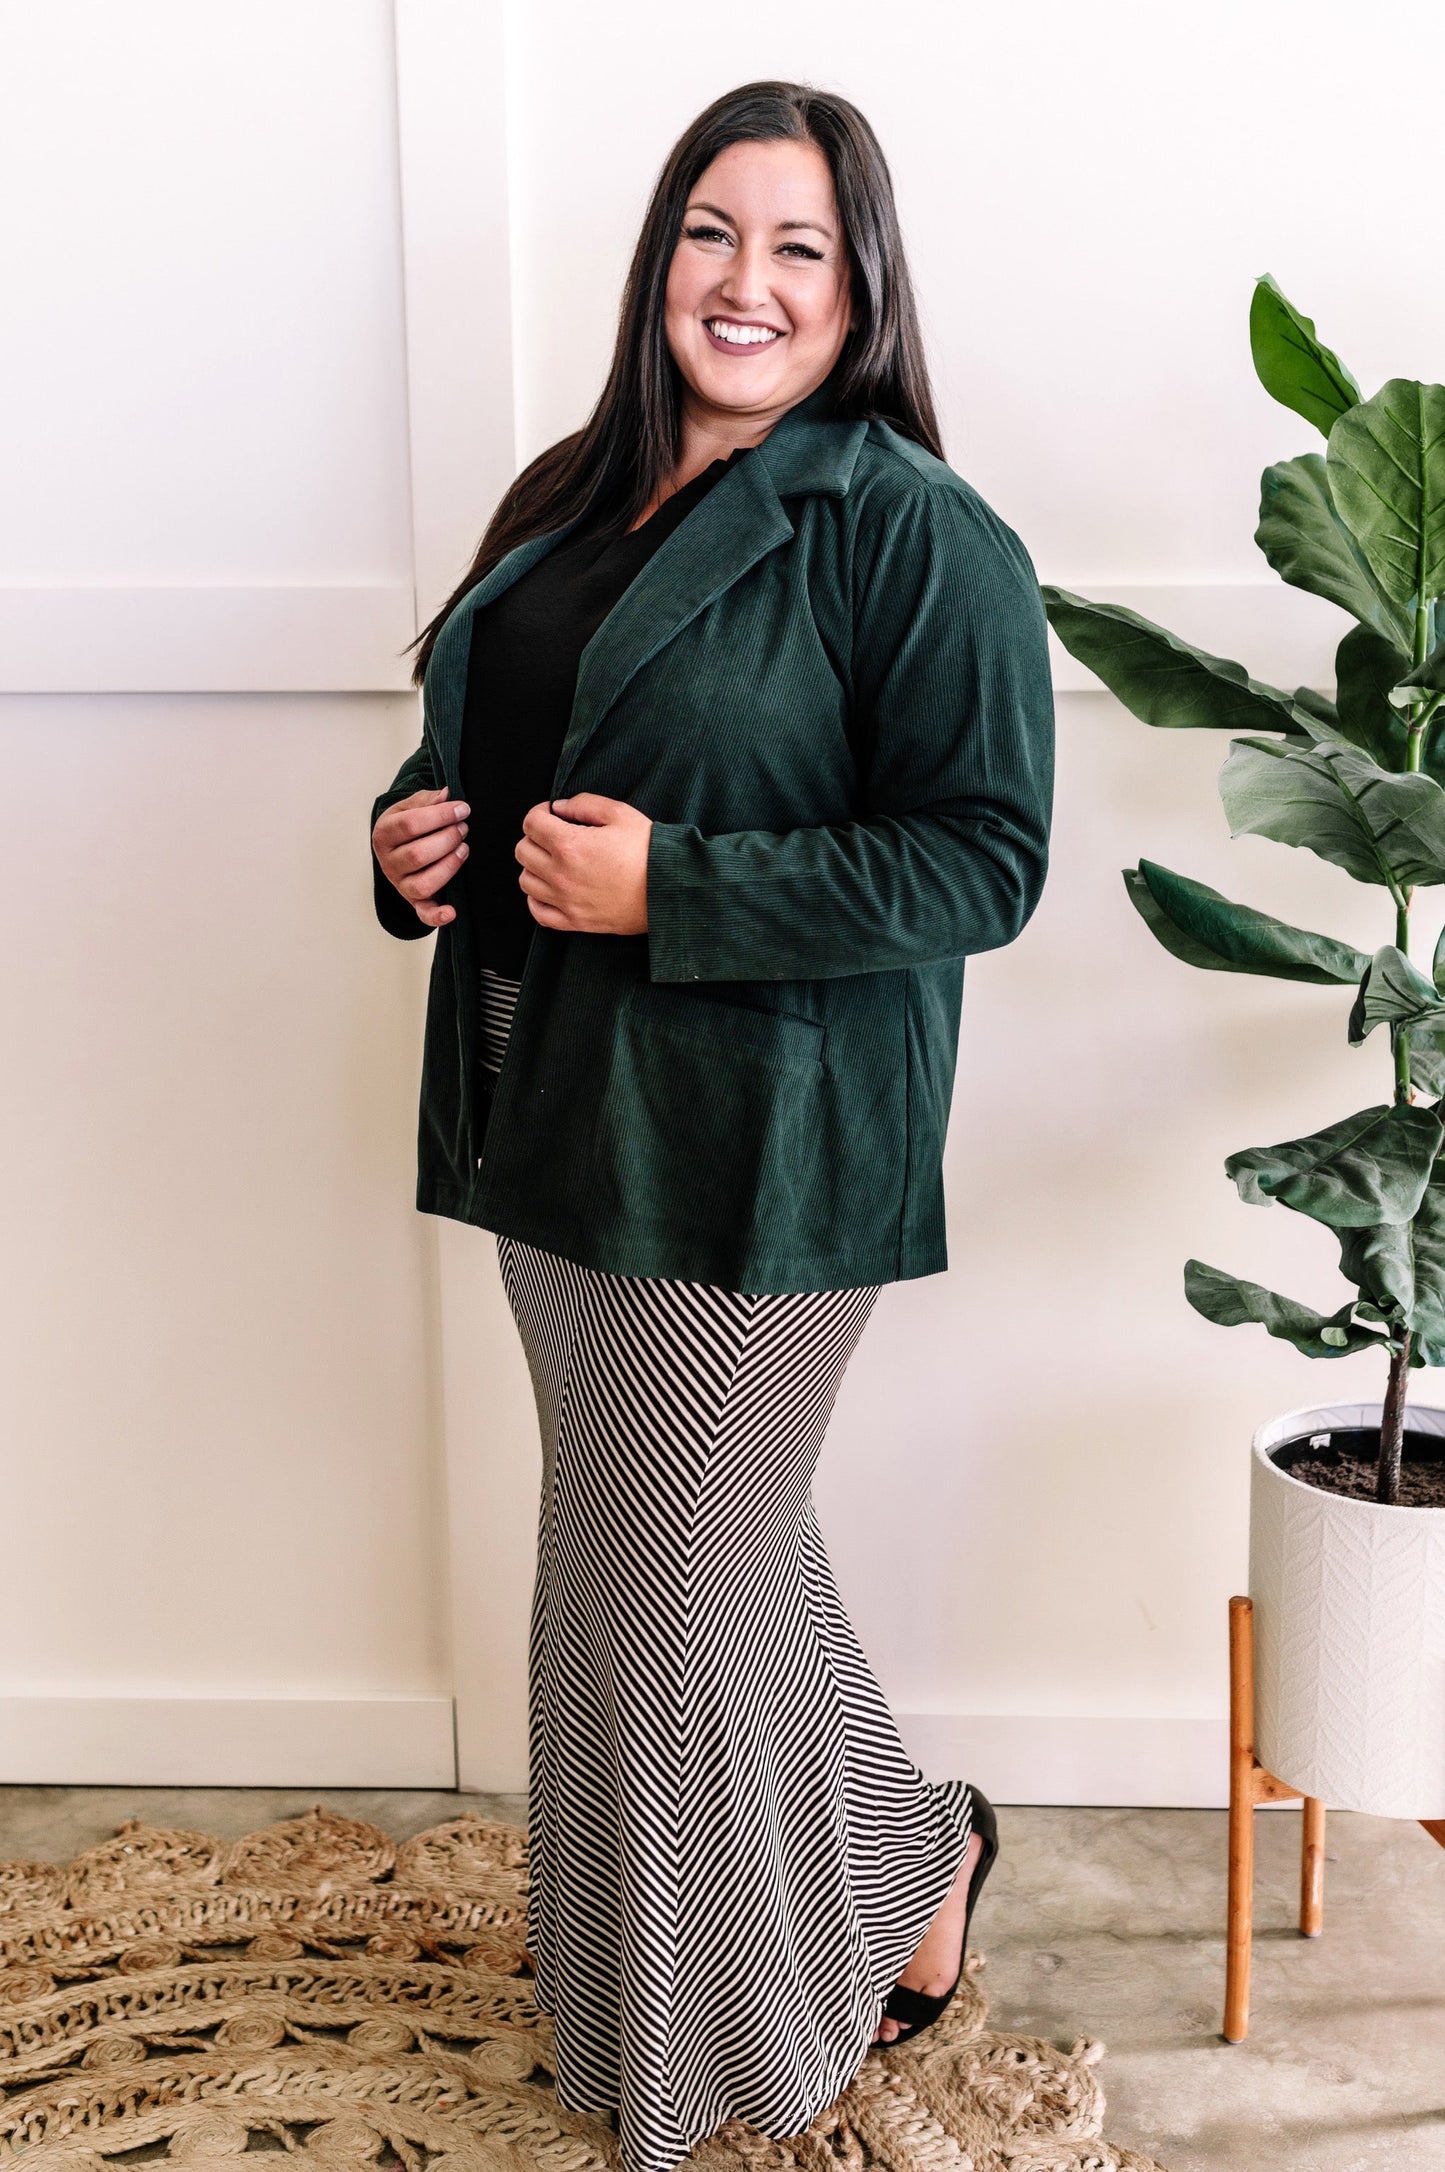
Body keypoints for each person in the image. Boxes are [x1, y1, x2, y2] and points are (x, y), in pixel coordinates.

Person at [370, 78, 1053, 2172]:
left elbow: (984, 862)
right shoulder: (570, 490)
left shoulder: (913, 529)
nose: (742, 285)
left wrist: (688, 890)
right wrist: (404, 841)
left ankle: (711, 2069)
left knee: (672, 1576)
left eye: (796, 248)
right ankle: (897, 1871)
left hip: (755, 1144)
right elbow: (478, 734)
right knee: (653, 1564)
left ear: (860, 289)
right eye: (707, 233)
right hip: (535, 1102)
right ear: (658, 252)